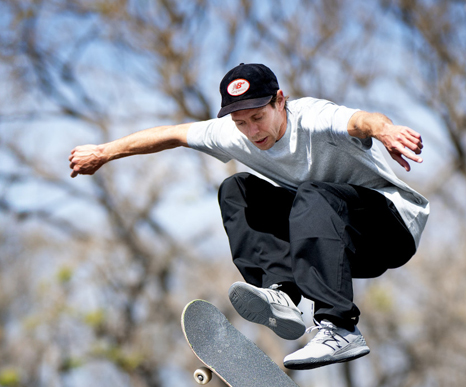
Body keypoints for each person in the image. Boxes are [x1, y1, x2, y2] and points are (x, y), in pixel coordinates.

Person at [69, 63, 429, 370]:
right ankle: (281, 291)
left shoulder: (313, 117)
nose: (252, 132)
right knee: (237, 189)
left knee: (312, 194)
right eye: (242, 122)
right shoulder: (232, 134)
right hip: (333, 243)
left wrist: (386, 131)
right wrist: (103, 152)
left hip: (388, 229)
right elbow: (172, 134)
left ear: (280, 101)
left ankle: (339, 327)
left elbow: (361, 121)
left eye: (258, 118)